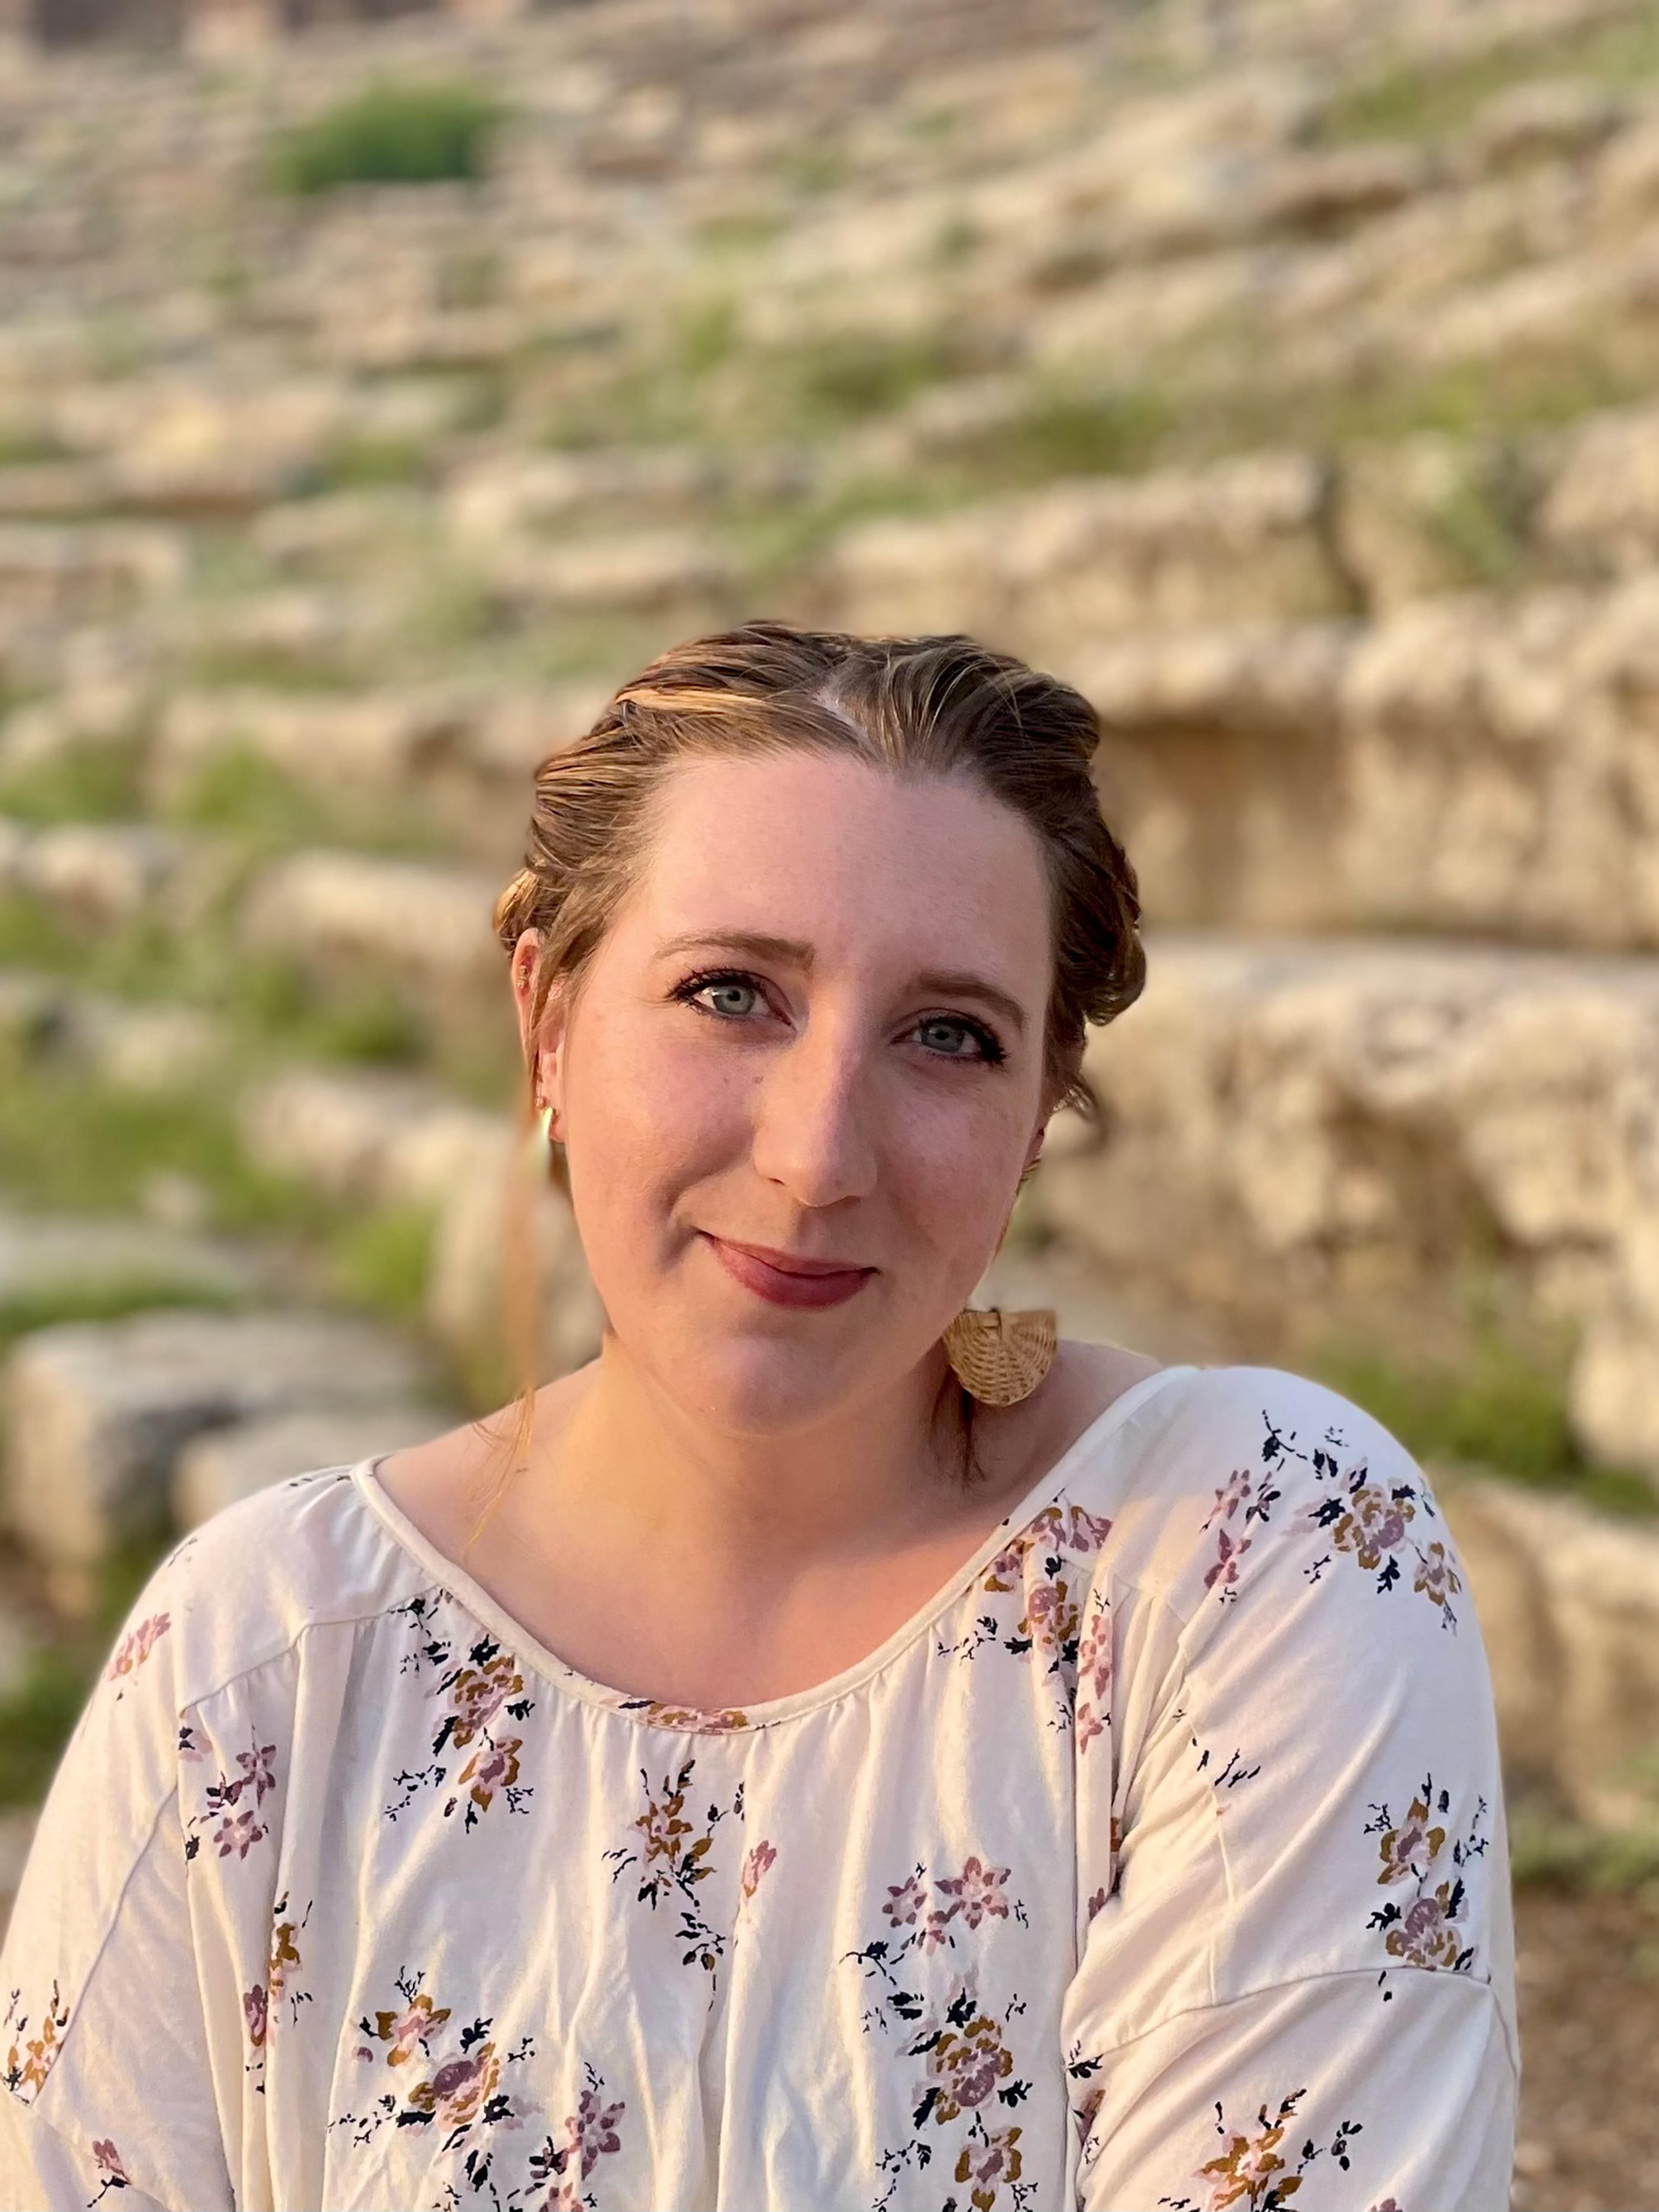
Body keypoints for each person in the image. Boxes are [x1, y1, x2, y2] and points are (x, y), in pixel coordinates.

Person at [0, 623, 1516, 2212]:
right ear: (548, 1020)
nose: (817, 1156)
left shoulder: (1257, 1552)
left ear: (1038, 1115)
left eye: (951, 1036)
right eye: (731, 995)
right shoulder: (263, 1665)